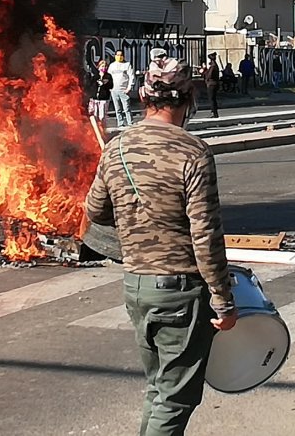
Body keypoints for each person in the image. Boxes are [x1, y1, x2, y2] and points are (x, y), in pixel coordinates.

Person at [82, 56, 237, 435]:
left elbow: (95, 210)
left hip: (136, 285)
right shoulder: (193, 152)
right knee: (175, 398)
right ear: (189, 99)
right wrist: (223, 300)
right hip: (180, 291)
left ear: (142, 97)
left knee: (159, 389)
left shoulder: (116, 148)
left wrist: (134, 219)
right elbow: (205, 235)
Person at [108, 50, 135, 128]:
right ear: (115, 56)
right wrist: (109, 87)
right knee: (117, 109)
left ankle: (130, 123)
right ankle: (120, 123)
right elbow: (109, 77)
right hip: (114, 90)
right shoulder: (112, 65)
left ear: (123, 56)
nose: (119, 57)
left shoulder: (127, 65)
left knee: (126, 108)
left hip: (124, 90)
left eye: (121, 55)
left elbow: (131, 76)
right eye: (117, 55)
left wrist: (129, 88)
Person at [89, 57, 113, 123]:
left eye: (105, 66)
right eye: (102, 66)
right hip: (95, 99)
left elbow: (111, 86)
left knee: (102, 116)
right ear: (99, 67)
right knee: (95, 115)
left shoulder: (108, 76)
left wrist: (104, 84)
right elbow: (90, 86)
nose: (104, 68)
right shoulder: (95, 76)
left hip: (104, 98)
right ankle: (96, 128)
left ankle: (102, 127)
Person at [202, 53, 220, 118]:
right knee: (213, 99)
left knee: (211, 99)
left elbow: (209, 76)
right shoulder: (215, 65)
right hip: (214, 84)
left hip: (212, 84)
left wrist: (204, 70)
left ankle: (214, 112)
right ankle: (215, 112)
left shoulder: (213, 66)